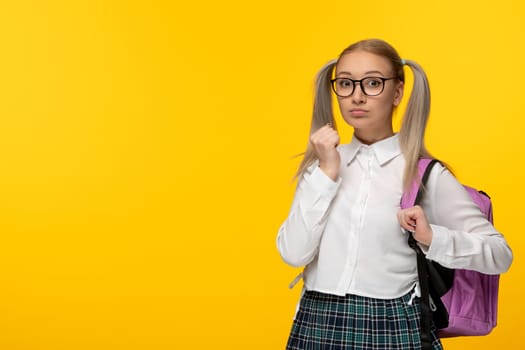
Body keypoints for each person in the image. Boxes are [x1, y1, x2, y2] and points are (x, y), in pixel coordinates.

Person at [276, 38, 513, 350]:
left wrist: (433, 238)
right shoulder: (322, 165)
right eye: (345, 84)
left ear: (398, 91)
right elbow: (293, 253)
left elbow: (500, 254)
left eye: (373, 83)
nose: (357, 96)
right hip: (317, 321)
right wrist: (326, 174)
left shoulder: (423, 174)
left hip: (391, 326)